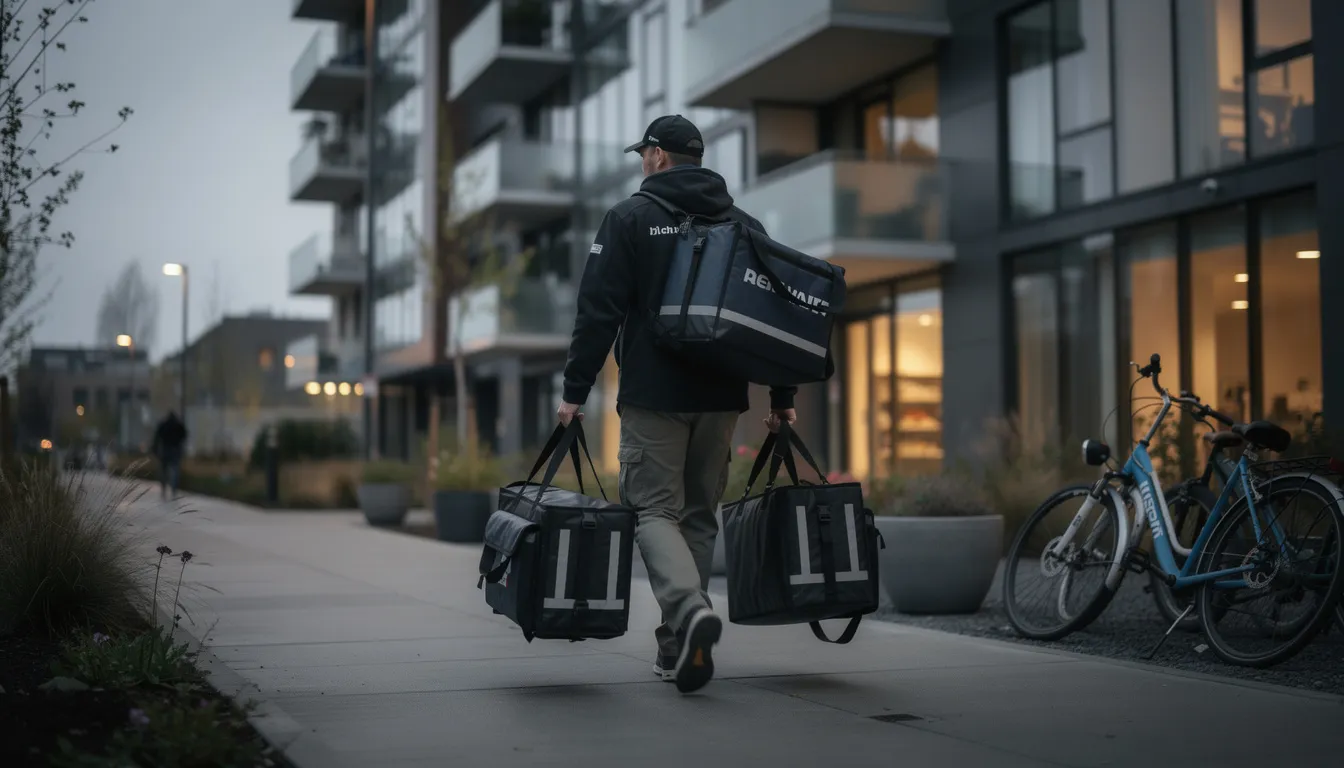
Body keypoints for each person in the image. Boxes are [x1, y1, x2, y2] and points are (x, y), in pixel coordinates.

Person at [557, 114, 797, 694]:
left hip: (654, 396)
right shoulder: (743, 223)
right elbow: (771, 316)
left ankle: (689, 612)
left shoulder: (630, 219)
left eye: (645, 152)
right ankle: (677, 648)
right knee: (695, 514)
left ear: (660, 156)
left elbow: (597, 312)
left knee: (652, 510)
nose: (643, 161)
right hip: (722, 396)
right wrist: (781, 398)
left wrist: (574, 391)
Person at [151, 411, 188, 500]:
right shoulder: (178, 425)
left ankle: (163, 488)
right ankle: (174, 489)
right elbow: (184, 436)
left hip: (165, 450)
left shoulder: (163, 424)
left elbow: (157, 437)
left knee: (164, 471)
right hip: (175, 450)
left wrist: (155, 450)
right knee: (175, 470)